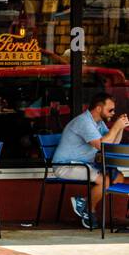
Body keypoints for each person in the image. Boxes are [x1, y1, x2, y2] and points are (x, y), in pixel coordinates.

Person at [53, 91, 129, 229]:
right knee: (106, 180)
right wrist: (116, 127)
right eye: (110, 110)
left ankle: (84, 203)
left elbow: (110, 144)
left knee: (118, 177)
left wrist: (120, 129)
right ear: (99, 108)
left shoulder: (98, 123)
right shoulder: (84, 121)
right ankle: (89, 209)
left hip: (85, 165)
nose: (113, 113)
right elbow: (101, 145)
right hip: (66, 166)